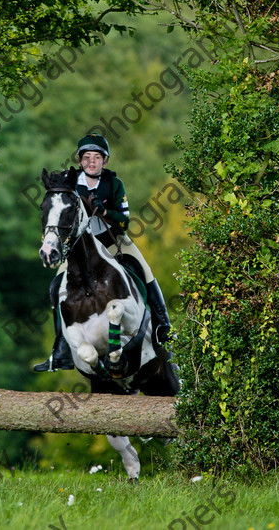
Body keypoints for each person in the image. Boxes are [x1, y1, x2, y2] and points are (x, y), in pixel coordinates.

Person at [34, 133, 174, 372]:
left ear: (105, 161)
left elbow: (124, 221)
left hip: (113, 240)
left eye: (97, 157)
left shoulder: (114, 184)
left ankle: (163, 326)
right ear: (79, 160)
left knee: (144, 269)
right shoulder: (72, 184)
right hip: (81, 247)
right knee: (57, 286)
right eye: (86, 157)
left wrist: (105, 212)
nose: (91, 161)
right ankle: (61, 349)